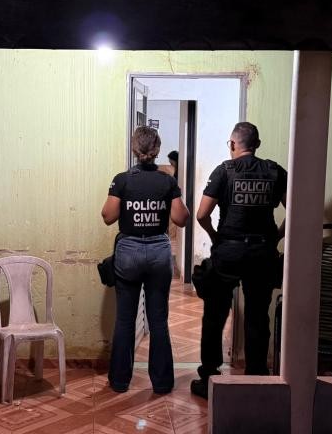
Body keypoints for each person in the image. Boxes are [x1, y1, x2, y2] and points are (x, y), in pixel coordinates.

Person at [190, 122, 287, 399]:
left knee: (215, 315)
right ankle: (256, 377)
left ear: (233, 144)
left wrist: (216, 236)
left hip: (229, 252)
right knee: (257, 316)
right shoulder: (274, 171)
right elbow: (297, 209)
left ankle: (209, 377)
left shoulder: (224, 170)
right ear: (257, 144)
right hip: (262, 253)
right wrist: (276, 237)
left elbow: (201, 214)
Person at [101, 126, 190, 394]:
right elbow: (181, 219)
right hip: (159, 253)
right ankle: (162, 383)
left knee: (125, 320)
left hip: (128, 252)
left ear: (134, 148)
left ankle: (119, 381)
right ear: (157, 150)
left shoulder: (122, 180)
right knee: (158, 320)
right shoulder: (167, 182)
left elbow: (108, 216)